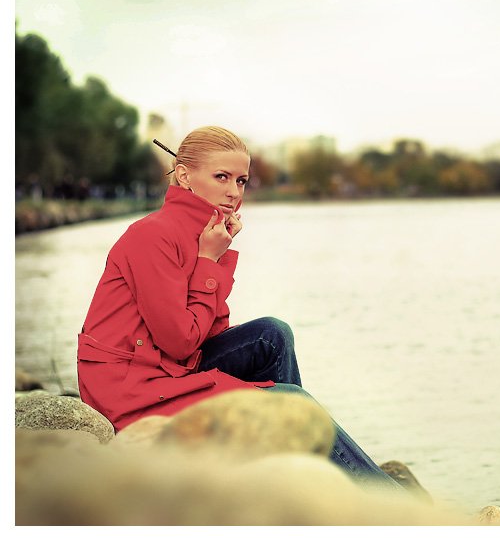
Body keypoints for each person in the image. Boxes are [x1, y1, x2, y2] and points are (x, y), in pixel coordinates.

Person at [77, 126, 402, 489]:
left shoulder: (206, 234)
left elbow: (211, 332)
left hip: (171, 365)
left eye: (242, 180)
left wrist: (216, 256)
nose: (234, 191)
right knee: (290, 402)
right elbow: (180, 342)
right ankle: (388, 503)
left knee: (272, 334)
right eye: (222, 177)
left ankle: (296, 469)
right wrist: (208, 262)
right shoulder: (152, 236)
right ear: (184, 175)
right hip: (132, 387)